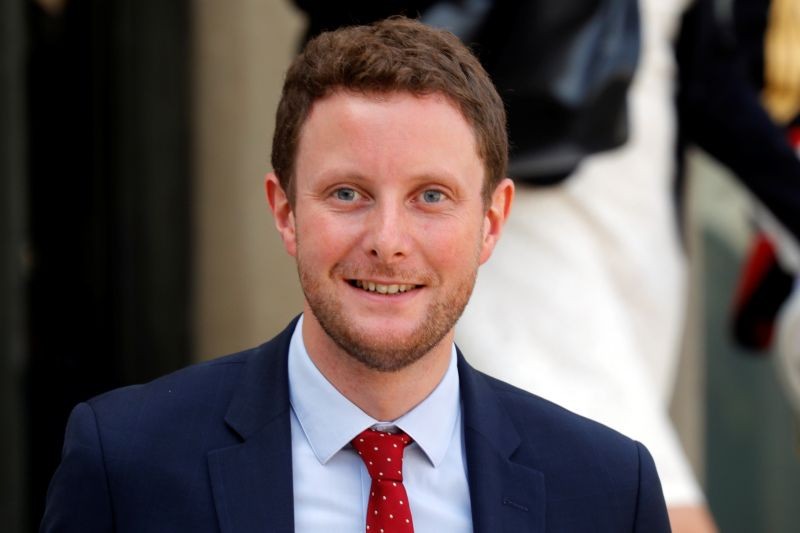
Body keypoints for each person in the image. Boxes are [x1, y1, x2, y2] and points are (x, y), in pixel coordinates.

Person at [40, 18, 670, 532]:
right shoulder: (124, 464)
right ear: (285, 212)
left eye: (430, 196)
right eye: (347, 193)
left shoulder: (610, 492)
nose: (388, 243)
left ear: (491, 220)